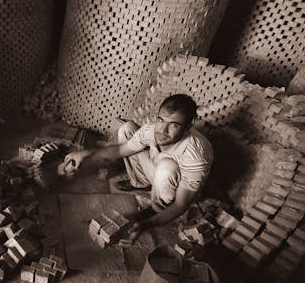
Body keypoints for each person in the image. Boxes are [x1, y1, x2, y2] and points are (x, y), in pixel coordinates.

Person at [62, 94, 213, 245]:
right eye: (161, 120)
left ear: (188, 127)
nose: (163, 130)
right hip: (157, 172)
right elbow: (121, 150)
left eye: (174, 124)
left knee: (166, 167)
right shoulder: (152, 130)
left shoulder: (196, 154)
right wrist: (86, 153)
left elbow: (181, 204)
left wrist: (145, 224)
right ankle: (140, 183)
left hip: (176, 187)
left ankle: (156, 208)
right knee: (127, 129)